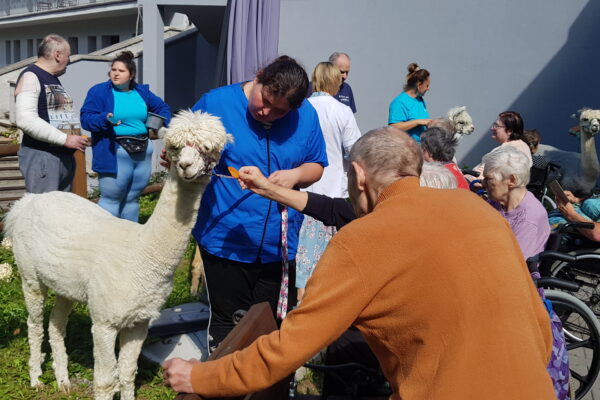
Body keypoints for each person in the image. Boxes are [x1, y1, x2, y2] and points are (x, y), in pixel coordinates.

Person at [163, 126, 557, 400]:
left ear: (358, 175)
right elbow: (540, 326)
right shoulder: (479, 210)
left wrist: (201, 374)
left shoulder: (362, 240)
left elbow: (288, 348)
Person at [189, 55, 328, 350]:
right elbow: (186, 151)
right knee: (229, 324)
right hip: (225, 238)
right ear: (260, 76)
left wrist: (295, 175)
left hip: (279, 245)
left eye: (280, 112)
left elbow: (316, 164)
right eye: (264, 101)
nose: (267, 113)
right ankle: (223, 385)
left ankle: (262, 387)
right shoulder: (215, 104)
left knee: (270, 325)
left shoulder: (307, 116)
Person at [296, 62, 361, 300]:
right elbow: (355, 150)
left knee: (303, 260)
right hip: (333, 192)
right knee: (328, 262)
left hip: (302, 191)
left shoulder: (301, 108)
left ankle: (298, 305)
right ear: (336, 82)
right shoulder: (341, 111)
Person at [80, 51, 171, 222]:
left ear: (131, 75)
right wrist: (103, 119)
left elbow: (163, 109)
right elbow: (86, 119)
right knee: (110, 201)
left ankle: (131, 241)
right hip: (115, 152)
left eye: (121, 71)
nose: (115, 73)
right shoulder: (99, 91)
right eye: (113, 70)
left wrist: (157, 124)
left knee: (132, 200)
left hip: (143, 151)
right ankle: (106, 243)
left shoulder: (142, 92)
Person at [14, 34, 89, 193]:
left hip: (61, 158)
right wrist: (65, 139)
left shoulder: (51, 78)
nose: (69, 61)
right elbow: (25, 119)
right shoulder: (31, 76)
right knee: (43, 213)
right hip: (43, 157)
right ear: (57, 55)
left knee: (59, 213)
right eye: (68, 57)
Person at [482, 146, 550, 259]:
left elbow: (511, 264)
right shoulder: (498, 203)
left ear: (512, 180)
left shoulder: (528, 219)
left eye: (488, 179)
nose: (483, 184)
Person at [468, 111, 532, 180]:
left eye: (496, 126)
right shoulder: (518, 146)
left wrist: (481, 180)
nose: (492, 128)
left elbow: (502, 181)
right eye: (493, 125)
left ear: (509, 131)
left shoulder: (512, 151)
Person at [388, 63, 432, 142]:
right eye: (427, 86)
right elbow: (393, 128)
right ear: (419, 85)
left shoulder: (420, 100)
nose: (428, 89)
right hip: (407, 151)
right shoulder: (399, 103)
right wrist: (418, 122)